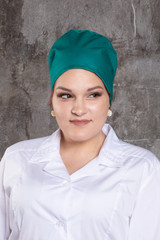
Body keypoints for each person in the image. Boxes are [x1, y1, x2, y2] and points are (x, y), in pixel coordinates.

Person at [0, 29, 160, 240]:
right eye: (66, 95)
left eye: (93, 95)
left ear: (109, 100)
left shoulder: (141, 169)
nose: (79, 109)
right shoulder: (17, 160)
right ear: (52, 101)